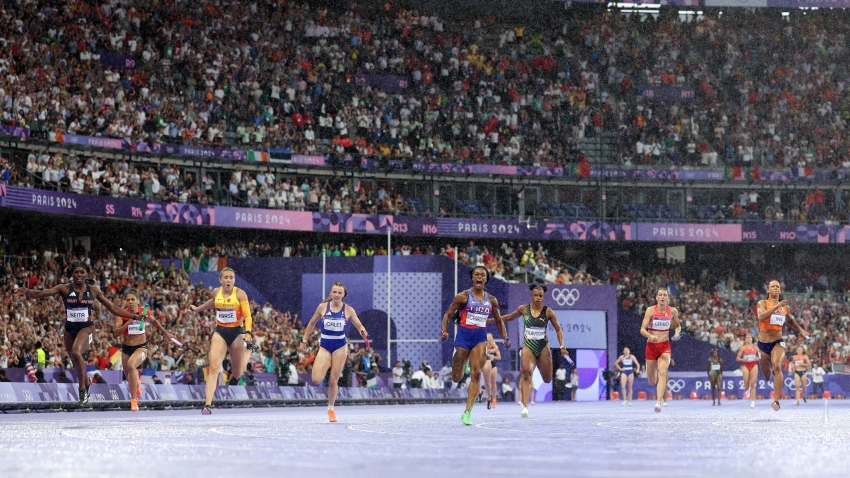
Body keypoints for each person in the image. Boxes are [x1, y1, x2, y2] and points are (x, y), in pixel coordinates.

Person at [15, 261, 146, 405]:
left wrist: (133, 316)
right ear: (72, 274)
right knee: (75, 361)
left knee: (77, 352)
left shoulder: (94, 291)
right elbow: (40, 294)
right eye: (76, 272)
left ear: (86, 274)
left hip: (87, 328)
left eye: (82, 272)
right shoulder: (64, 289)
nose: (79, 275)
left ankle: (82, 389)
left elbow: (112, 307)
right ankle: (87, 382)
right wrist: (27, 292)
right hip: (69, 330)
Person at [441, 266, 511, 425]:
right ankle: (462, 361)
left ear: (486, 279)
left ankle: (467, 412)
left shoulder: (491, 300)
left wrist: (505, 337)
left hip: (480, 338)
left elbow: (499, 321)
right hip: (463, 338)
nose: (479, 277)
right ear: (473, 279)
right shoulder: (463, 297)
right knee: (456, 377)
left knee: (476, 373)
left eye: (482, 275)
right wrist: (444, 330)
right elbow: (448, 314)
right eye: (476, 275)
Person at [188, 267, 256, 415]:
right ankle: (207, 405)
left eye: (231, 277)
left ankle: (249, 351)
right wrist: (198, 309)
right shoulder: (216, 292)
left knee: (237, 373)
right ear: (220, 280)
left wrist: (248, 332)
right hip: (221, 332)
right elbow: (213, 303)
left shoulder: (240, 294)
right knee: (213, 367)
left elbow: (248, 315)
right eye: (226, 277)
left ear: (234, 280)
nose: (228, 280)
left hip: (237, 333)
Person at [300, 282, 368, 423]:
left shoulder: (348, 310)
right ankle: (325, 371)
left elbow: (358, 324)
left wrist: (362, 330)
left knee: (333, 380)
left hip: (340, 347)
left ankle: (331, 409)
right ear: (331, 293)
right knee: (316, 379)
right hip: (325, 345)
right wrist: (304, 340)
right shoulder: (322, 307)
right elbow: (312, 323)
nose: (336, 295)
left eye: (339, 292)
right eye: (334, 292)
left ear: (343, 295)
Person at [500, 284, 567, 418]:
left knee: (547, 379)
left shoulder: (548, 312)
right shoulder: (523, 309)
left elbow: (558, 329)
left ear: (543, 297)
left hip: (542, 347)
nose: (538, 298)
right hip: (528, 346)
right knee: (526, 374)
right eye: (535, 295)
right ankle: (525, 407)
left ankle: (543, 373)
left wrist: (562, 346)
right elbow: (509, 317)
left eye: (540, 296)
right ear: (531, 296)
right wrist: (493, 319)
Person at [114, 290, 175, 412]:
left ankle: (133, 400)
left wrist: (165, 332)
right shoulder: (122, 314)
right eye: (128, 300)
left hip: (141, 347)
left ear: (137, 300)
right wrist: (130, 321)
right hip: (126, 348)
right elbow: (116, 333)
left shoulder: (144, 311)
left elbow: (155, 322)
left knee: (131, 365)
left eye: (133, 299)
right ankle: (137, 385)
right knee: (129, 375)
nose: (130, 302)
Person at [757, 281, 810, 411]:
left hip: (777, 341)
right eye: (773, 286)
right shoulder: (762, 303)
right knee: (767, 375)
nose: (775, 288)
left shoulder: (785, 308)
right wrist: (777, 306)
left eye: (777, 287)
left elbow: (790, 321)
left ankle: (776, 401)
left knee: (777, 365)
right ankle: (769, 373)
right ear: (768, 290)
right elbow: (761, 317)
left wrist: (801, 330)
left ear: (780, 291)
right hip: (763, 344)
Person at [639, 288, 682, 413]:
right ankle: (657, 383)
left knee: (662, 372)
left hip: (665, 346)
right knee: (651, 381)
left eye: (665, 295)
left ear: (667, 298)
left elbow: (678, 326)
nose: (662, 297)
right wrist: (650, 336)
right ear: (657, 297)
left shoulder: (673, 311)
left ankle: (658, 402)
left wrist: (677, 335)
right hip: (651, 347)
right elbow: (642, 329)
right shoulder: (650, 310)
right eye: (660, 295)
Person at [736, 334, 759, 408]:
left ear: (752, 339)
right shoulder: (743, 348)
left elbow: (761, 357)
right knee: (746, 383)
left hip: (754, 365)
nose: (748, 339)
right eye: (747, 337)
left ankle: (753, 402)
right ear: (745, 339)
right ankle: (747, 389)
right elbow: (737, 358)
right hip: (745, 365)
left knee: (753, 383)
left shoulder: (756, 348)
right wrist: (743, 359)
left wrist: (757, 358)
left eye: (750, 337)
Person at [482, 333, 501, 409]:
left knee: (493, 383)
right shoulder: (484, 344)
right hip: (486, 363)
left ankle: (494, 399)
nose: (489, 339)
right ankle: (488, 396)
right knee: (487, 383)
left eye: (490, 337)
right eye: (488, 337)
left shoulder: (494, 346)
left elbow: (499, 357)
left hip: (493, 365)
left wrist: (491, 354)